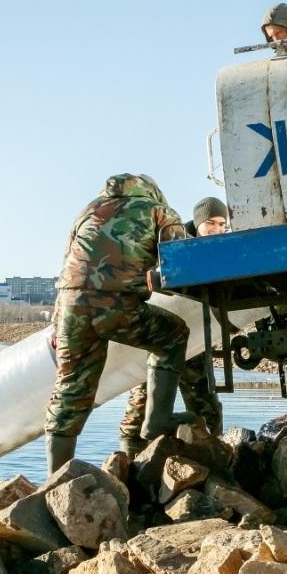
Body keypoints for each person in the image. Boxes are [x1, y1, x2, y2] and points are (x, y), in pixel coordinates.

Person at [44, 173, 196, 476]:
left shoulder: (87, 211)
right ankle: (158, 421)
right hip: (118, 303)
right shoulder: (159, 211)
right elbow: (182, 260)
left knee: (71, 388)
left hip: (72, 306)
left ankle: (56, 478)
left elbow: (67, 267)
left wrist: (57, 322)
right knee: (173, 335)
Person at [119, 196, 230, 452]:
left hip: (195, 339)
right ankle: (129, 456)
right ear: (198, 222)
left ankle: (210, 456)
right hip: (160, 336)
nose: (217, 230)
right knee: (143, 395)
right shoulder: (173, 245)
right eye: (211, 223)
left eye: (222, 224)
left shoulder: (223, 249)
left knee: (206, 403)